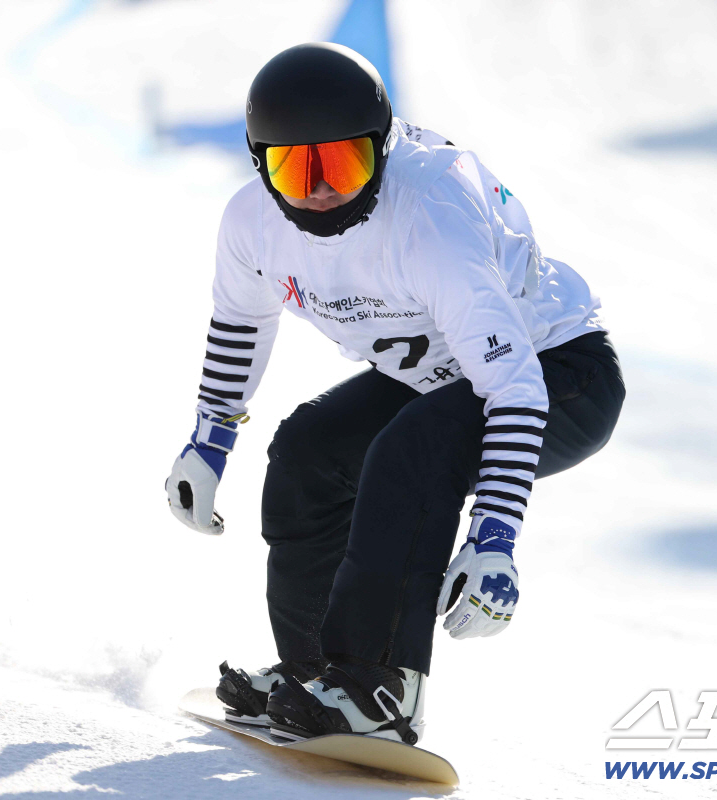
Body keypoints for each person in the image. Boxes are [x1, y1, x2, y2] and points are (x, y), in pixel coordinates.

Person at [166, 42, 624, 745]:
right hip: (439, 377)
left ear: (381, 150)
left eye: (342, 164)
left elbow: (513, 386)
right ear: (260, 165)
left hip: (560, 374)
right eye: (295, 169)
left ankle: (380, 687)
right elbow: (240, 321)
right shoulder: (251, 224)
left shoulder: (430, 216)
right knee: (309, 449)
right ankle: (316, 675)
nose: (320, 191)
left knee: (413, 449)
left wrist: (495, 536)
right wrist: (210, 438)